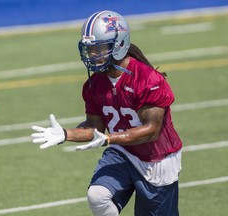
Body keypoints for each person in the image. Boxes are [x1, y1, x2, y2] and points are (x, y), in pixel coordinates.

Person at [31, 10, 182, 216]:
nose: (93, 55)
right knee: (98, 195)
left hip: (156, 158)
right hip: (122, 151)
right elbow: (95, 127)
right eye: (90, 49)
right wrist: (66, 134)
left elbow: (151, 131)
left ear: (119, 44)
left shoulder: (148, 79)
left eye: (99, 48)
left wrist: (109, 138)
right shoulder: (94, 84)